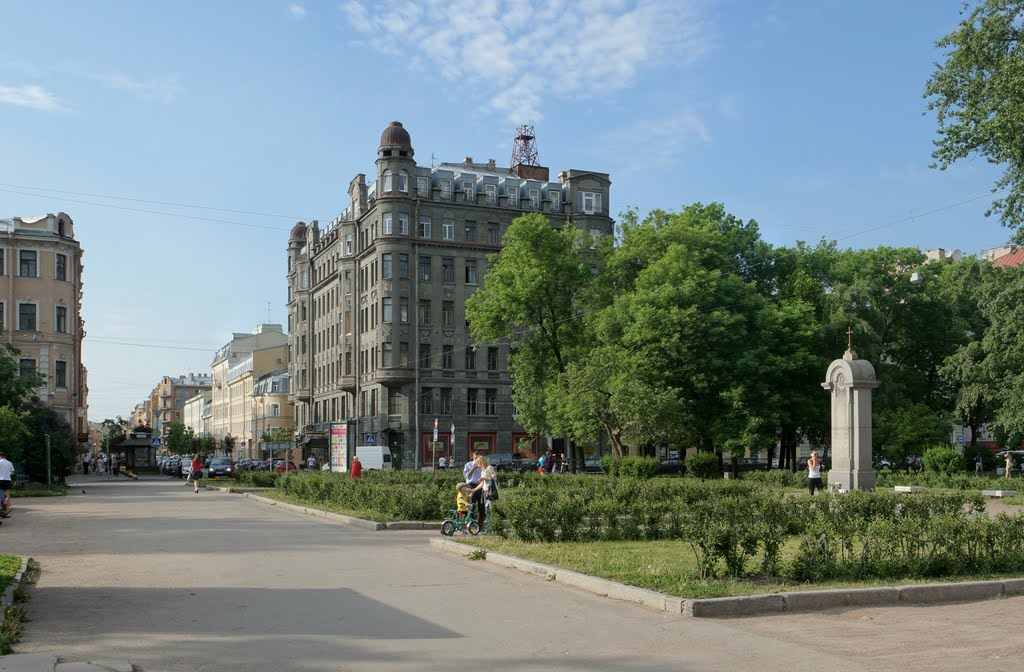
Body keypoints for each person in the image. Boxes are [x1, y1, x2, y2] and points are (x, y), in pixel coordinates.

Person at [0, 452, 14, 518]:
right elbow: (12, 472)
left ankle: (1, 510)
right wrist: (8, 474)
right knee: (8, 495)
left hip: (0, 480)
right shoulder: (9, 463)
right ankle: (7, 510)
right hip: (7, 480)